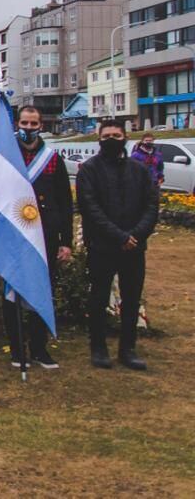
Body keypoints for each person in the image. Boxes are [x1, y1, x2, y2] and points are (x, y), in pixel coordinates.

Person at [0, 106, 73, 369]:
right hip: (14, 235)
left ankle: (39, 349)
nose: (29, 128)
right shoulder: (4, 155)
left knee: (41, 291)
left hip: (45, 237)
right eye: (25, 123)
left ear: (41, 125)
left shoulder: (51, 158)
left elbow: (65, 202)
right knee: (12, 294)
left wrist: (66, 241)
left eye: (34, 123)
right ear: (17, 123)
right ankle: (17, 350)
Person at [77, 119, 159, 370]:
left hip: (134, 247)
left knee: (131, 299)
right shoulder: (89, 170)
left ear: (125, 137)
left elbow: (151, 205)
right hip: (103, 246)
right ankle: (99, 348)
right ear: (99, 139)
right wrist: (119, 236)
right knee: (99, 298)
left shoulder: (140, 170)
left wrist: (135, 235)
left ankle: (128, 349)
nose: (112, 139)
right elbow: (90, 208)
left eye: (116, 134)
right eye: (107, 135)